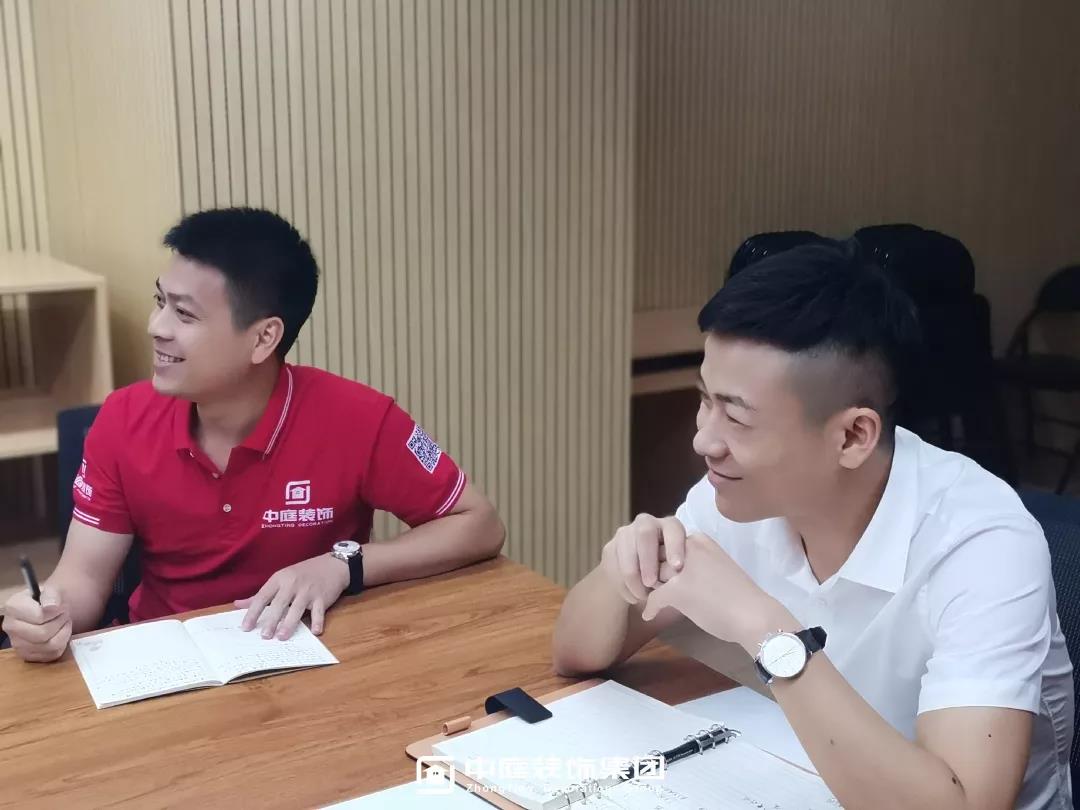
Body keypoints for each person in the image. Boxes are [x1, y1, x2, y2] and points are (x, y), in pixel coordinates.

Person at [552, 241, 1073, 809]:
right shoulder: (737, 493)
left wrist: (765, 630)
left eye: (737, 417)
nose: (703, 439)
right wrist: (622, 568)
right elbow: (575, 652)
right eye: (704, 400)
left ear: (852, 436)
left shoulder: (983, 545)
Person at [3, 207, 504, 661]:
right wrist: (49, 613)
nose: (156, 326)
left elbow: (478, 524)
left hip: (312, 656)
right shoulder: (123, 419)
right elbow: (83, 579)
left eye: (184, 313)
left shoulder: (360, 418)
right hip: (163, 666)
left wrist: (343, 565)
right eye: (160, 302)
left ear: (264, 338)